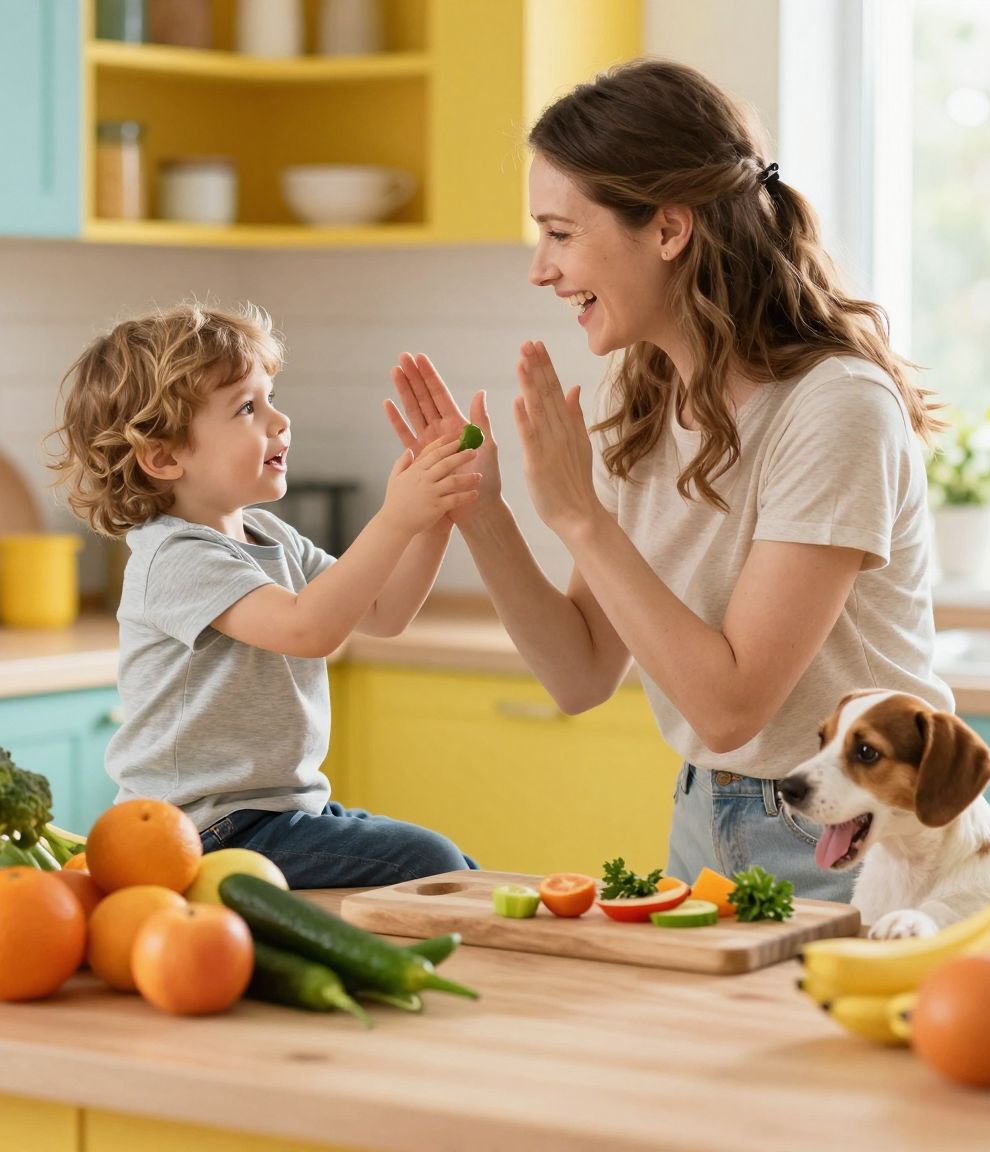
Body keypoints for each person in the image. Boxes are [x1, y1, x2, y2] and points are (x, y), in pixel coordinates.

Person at [382, 60, 951, 901]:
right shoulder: (640, 393)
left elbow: (730, 707)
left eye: (561, 233)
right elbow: (580, 673)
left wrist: (580, 517)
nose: (540, 268)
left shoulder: (835, 409)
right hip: (703, 820)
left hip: (855, 835)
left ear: (669, 229)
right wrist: (481, 508)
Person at [50, 301, 482, 887]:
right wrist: (397, 519)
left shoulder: (268, 533)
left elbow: (382, 612)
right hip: (199, 831)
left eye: (271, 398)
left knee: (457, 870)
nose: (279, 421)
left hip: (276, 814)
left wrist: (435, 517)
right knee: (431, 863)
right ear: (164, 455)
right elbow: (309, 630)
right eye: (248, 408)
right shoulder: (174, 556)